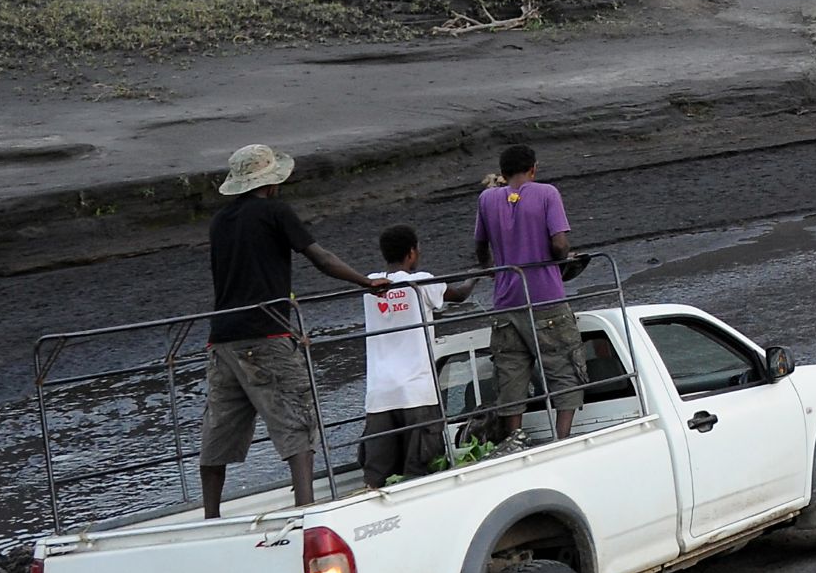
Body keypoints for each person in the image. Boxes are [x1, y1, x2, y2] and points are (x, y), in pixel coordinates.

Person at [201, 144, 383, 519]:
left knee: (218, 431)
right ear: (270, 183)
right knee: (297, 420)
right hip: (266, 334)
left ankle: (211, 517)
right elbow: (321, 258)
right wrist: (366, 282)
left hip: (221, 340)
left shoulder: (220, 221)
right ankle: (306, 510)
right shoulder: (274, 212)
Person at [473, 144, 586, 445]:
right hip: (546, 298)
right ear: (533, 168)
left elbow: (480, 247)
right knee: (564, 368)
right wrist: (561, 260)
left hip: (506, 304)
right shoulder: (547, 193)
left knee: (511, 374)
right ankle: (563, 438)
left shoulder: (487, 199)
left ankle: (515, 438)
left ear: (503, 172)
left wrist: (493, 272)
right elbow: (560, 244)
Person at [359, 225, 471, 488]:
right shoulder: (421, 281)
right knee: (421, 472)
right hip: (416, 392)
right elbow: (461, 295)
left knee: (376, 477)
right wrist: (475, 275)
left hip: (379, 394)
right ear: (411, 252)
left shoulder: (369, 284)